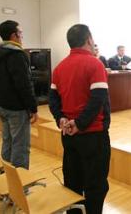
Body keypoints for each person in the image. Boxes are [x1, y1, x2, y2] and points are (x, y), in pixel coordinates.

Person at [49, 24, 111, 214]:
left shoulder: (59, 67)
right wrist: (81, 123)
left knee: (72, 182)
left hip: (68, 134)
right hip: (92, 135)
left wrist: (61, 119)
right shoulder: (95, 63)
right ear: (89, 39)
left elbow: (53, 100)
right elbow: (97, 99)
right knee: (96, 185)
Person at [0, 20, 37, 169]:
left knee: (8, 141)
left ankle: (8, 179)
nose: (22, 36)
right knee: (20, 146)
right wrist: (33, 108)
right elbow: (24, 85)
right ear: (14, 35)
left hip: (1, 105)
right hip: (17, 108)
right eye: (20, 33)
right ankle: (20, 187)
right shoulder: (17, 55)